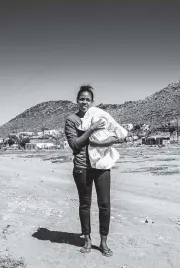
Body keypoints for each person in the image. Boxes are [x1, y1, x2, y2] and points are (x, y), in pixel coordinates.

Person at [64, 85, 122, 257]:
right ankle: (87, 239)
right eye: (81, 98)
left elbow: (116, 135)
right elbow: (75, 144)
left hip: (102, 166)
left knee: (105, 204)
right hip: (82, 167)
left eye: (87, 99)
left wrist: (103, 143)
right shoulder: (72, 120)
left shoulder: (100, 116)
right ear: (77, 100)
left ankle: (103, 242)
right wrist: (92, 129)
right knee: (85, 204)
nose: (84, 102)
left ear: (92, 102)